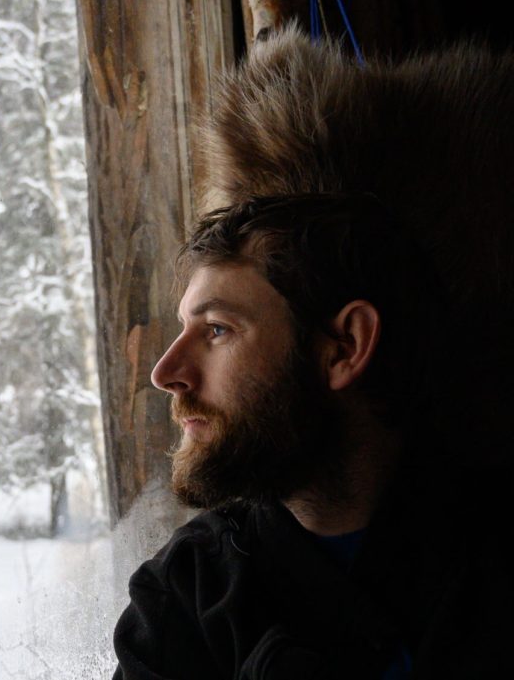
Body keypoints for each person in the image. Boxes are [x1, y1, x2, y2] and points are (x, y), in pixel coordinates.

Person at [110, 193, 514, 679]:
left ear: (345, 347)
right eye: (184, 328)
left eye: (217, 330)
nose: (164, 373)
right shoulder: (182, 596)